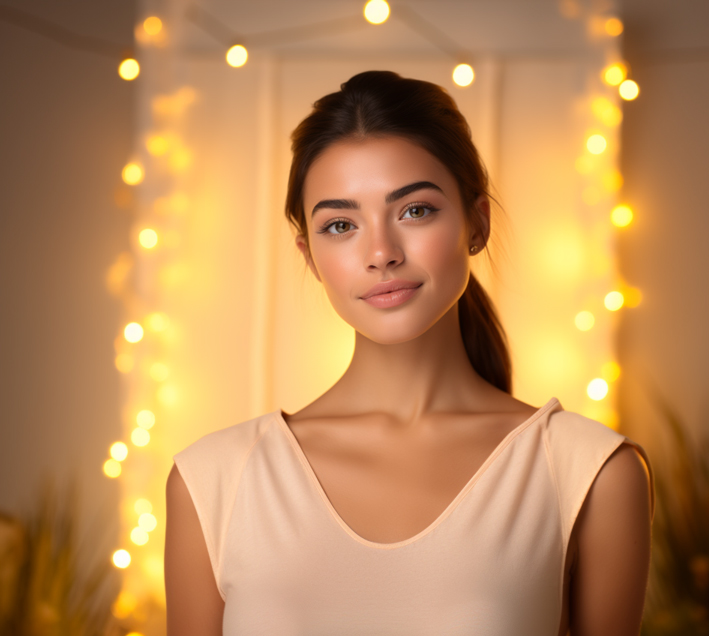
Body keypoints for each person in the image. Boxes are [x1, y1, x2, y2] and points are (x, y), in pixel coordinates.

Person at [165, 70, 654, 636]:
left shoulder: (589, 472)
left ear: (476, 222)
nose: (380, 253)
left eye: (415, 210)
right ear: (308, 255)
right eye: (341, 225)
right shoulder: (213, 480)